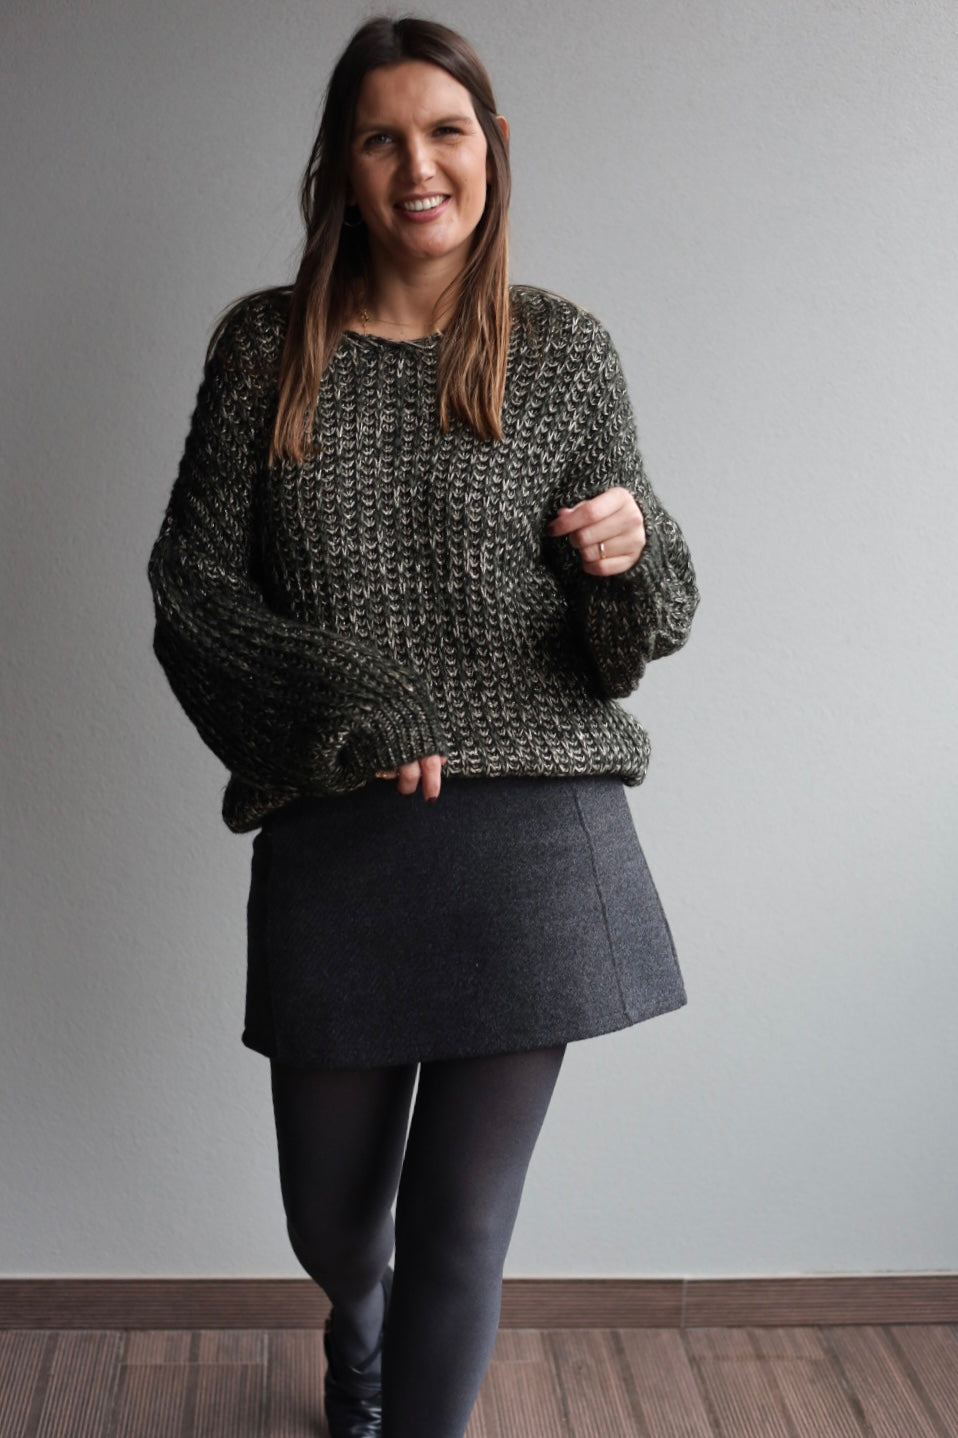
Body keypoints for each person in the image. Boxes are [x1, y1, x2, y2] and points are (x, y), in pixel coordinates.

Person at [147, 15, 700, 1438]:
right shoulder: (267, 349)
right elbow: (194, 594)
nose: (418, 168)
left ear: (492, 149)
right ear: (339, 162)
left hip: (532, 832)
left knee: (462, 1221)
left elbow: (635, 636)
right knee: (335, 1222)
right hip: (342, 825)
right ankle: (359, 1323)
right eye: (382, 138)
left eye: (446, 132)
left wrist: (629, 552)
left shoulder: (563, 351)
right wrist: (354, 701)